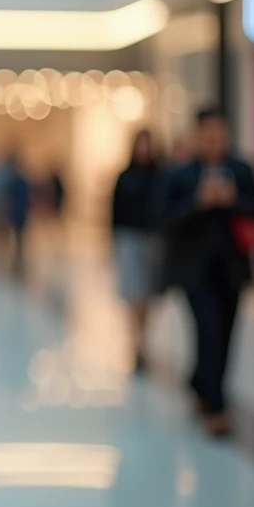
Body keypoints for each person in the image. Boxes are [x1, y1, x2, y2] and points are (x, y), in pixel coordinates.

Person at [161, 108, 254, 437]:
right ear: (197, 136)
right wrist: (198, 202)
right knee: (208, 330)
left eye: (218, 133)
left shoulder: (240, 170)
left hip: (231, 269)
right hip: (195, 271)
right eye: (207, 134)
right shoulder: (180, 174)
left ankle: (200, 382)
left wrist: (233, 199)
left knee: (225, 335)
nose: (213, 140)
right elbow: (164, 219)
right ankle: (218, 408)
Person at [111, 129, 163, 373]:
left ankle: (143, 336)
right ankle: (137, 339)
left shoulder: (159, 176)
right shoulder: (125, 177)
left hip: (151, 239)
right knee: (134, 290)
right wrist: (112, 242)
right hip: (128, 237)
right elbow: (115, 211)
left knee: (148, 292)